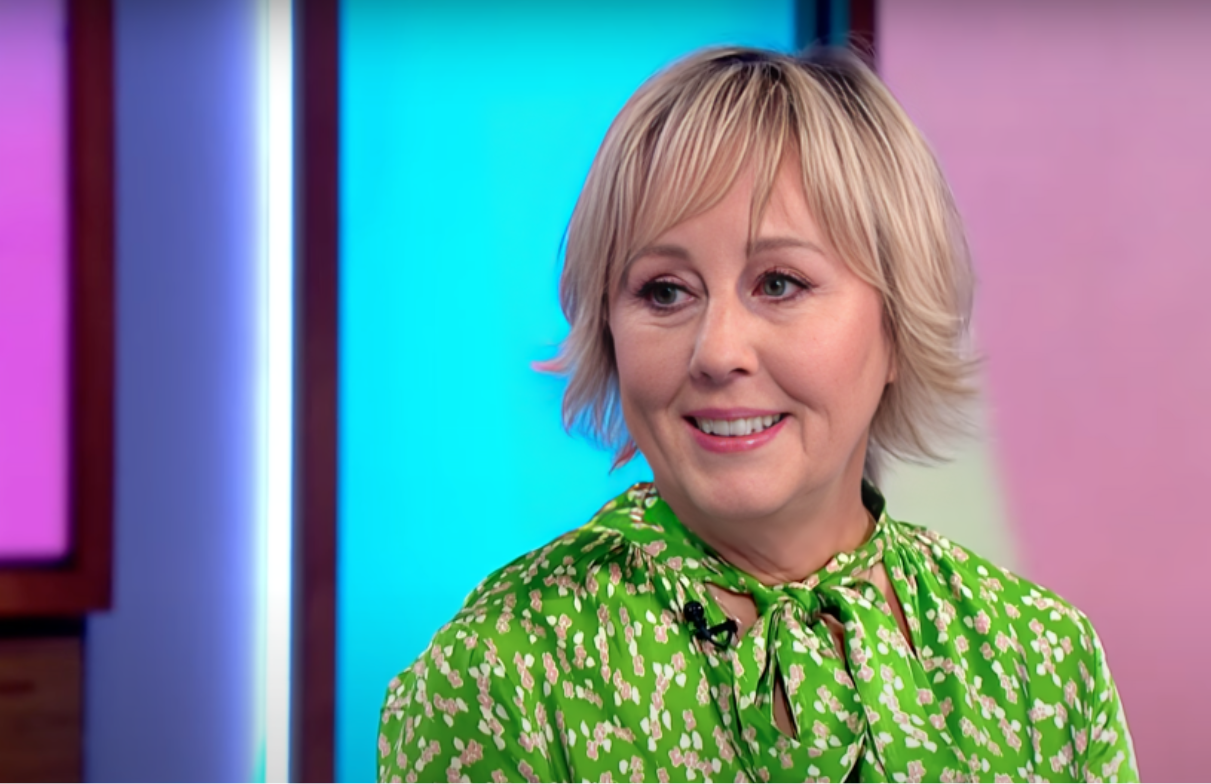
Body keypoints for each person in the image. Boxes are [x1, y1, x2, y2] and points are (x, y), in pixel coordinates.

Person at [377, 46, 1137, 783]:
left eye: (778, 283)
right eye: (665, 291)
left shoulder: (1041, 657)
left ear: (898, 324)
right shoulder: (497, 677)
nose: (717, 351)